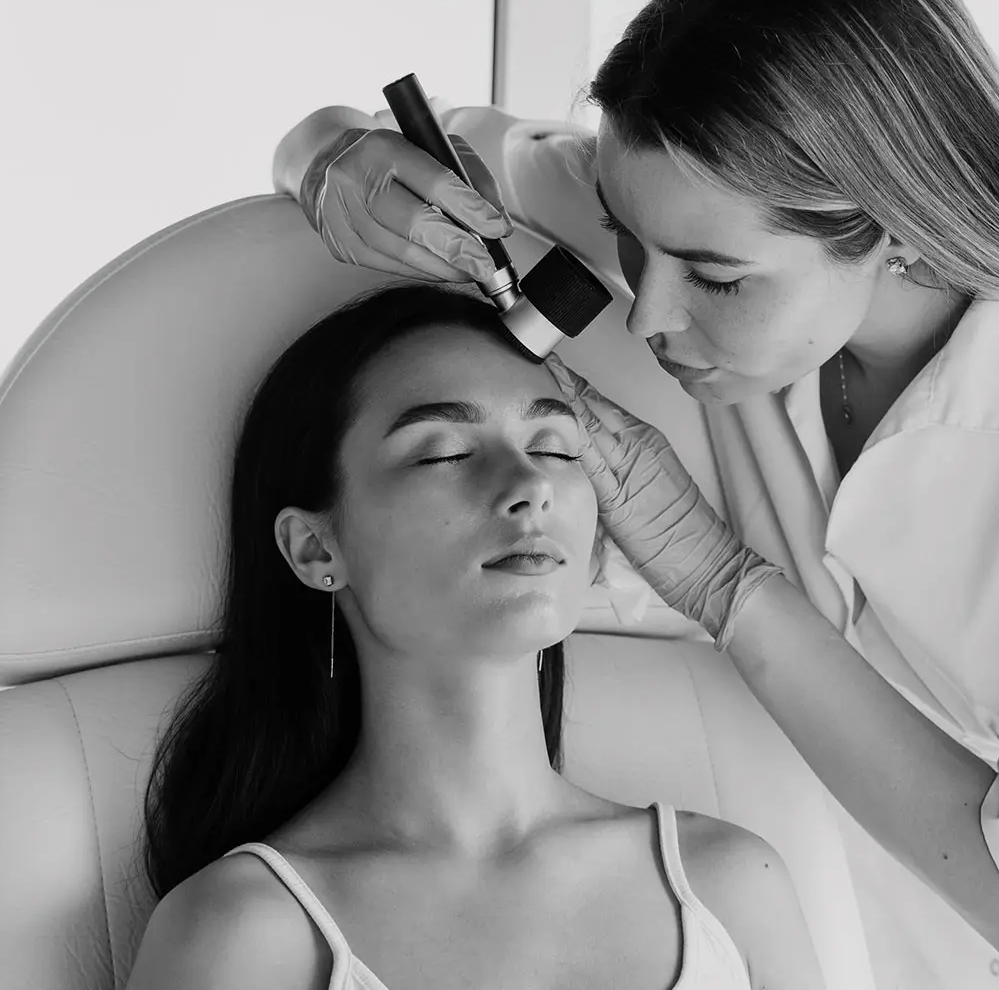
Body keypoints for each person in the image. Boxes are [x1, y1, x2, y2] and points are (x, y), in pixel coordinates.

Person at [266, 0, 999, 988]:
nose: (649, 312)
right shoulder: (682, 208)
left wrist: (717, 576)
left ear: (904, 232)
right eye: (628, 240)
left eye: (718, 280)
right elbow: (383, 146)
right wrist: (327, 161)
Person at [124, 284, 828, 990]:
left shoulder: (729, 888)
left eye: (554, 448)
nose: (530, 484)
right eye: (444, 454)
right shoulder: (241, 935)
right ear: (315, 549)